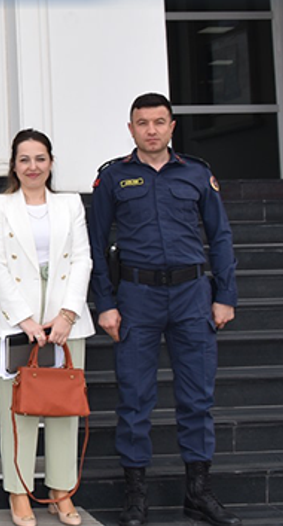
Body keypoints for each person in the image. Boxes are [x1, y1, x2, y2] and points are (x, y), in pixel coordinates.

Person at [89, 93, 241, 526]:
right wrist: (106, 303)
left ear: (172, 126)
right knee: (134, 398)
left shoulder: (197, 173)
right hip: (137, 297)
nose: (151, 130)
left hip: (192, 295)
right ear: (131, 128)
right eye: (143, 123)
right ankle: (136, 496)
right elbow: (96, 244)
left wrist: (225, 295)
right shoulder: (113, 177)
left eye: (159, 122)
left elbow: (220, 236)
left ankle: (198, 492)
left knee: (197, 398)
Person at [0, 129, 95, 526]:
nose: (33, 167)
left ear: (51, 162)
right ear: (14, 166)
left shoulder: (70, 204)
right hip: (17, 321)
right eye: (24, 159)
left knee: (64, 409)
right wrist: (25, 320)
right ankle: (19, 492)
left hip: (65, 323)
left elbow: (82, 259)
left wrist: (67, 315)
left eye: (40, 158)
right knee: (17, 411)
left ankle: (62, 492)